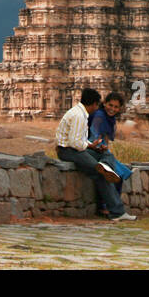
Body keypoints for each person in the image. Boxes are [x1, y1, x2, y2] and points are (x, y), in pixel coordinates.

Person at [54, 88, 135, 221]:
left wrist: (93, 147)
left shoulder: (81, 113)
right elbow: (75, 143)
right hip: (69, 151)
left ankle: (106, 167)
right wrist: (89, 146)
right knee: (100, 173)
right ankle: (117, 212)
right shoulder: (79, 116)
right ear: (93, 104)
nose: (97, 108)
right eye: (97, 105)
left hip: (77, 149)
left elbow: (79, 140)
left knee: (107, 156)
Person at [89, 92, 133, 216]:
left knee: (120, 173)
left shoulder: (110, 119)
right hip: (92, 149)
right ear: (104, 104)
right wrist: (100, 148)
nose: (112, 109)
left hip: (102, 149)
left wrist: (105, 149)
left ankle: (110, 205)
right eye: (110, 105)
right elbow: (94, 135)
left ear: (120, 109)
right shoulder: (99, 116)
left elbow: (106, 138)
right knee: (113, 173)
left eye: (116, 107)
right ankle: (106, 206)